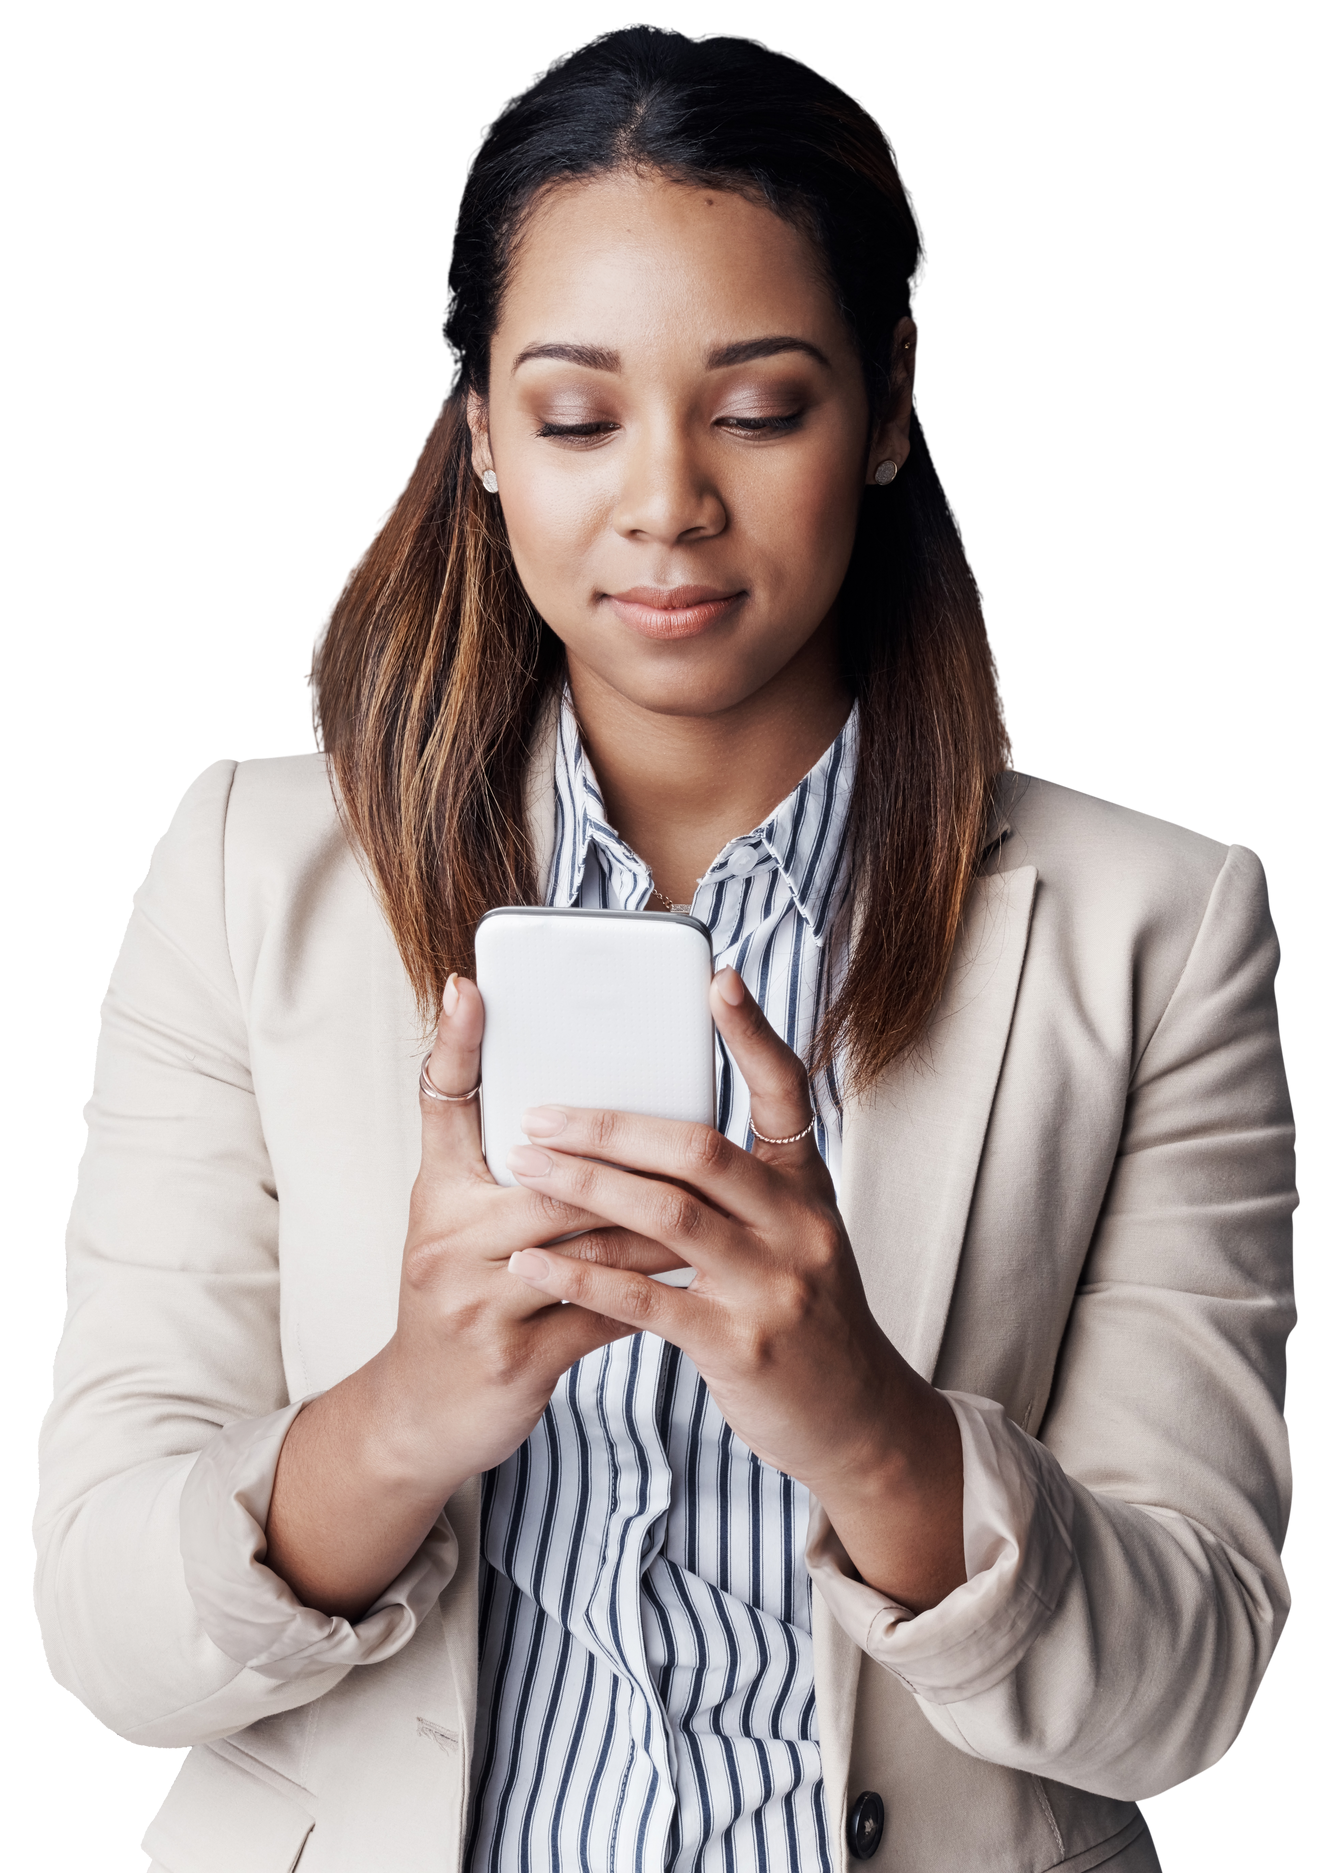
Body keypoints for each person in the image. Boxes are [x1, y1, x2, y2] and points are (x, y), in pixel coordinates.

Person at [34, 25, 1295, 1872]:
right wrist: (402, 1414)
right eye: (573, 417)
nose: (665, 503)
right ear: (480, 431)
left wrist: (867, 1425)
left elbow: (1179, 1700)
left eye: (760, 409)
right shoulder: (249, 875)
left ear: (889, 404)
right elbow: (109, 1637)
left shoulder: (1150, 931)